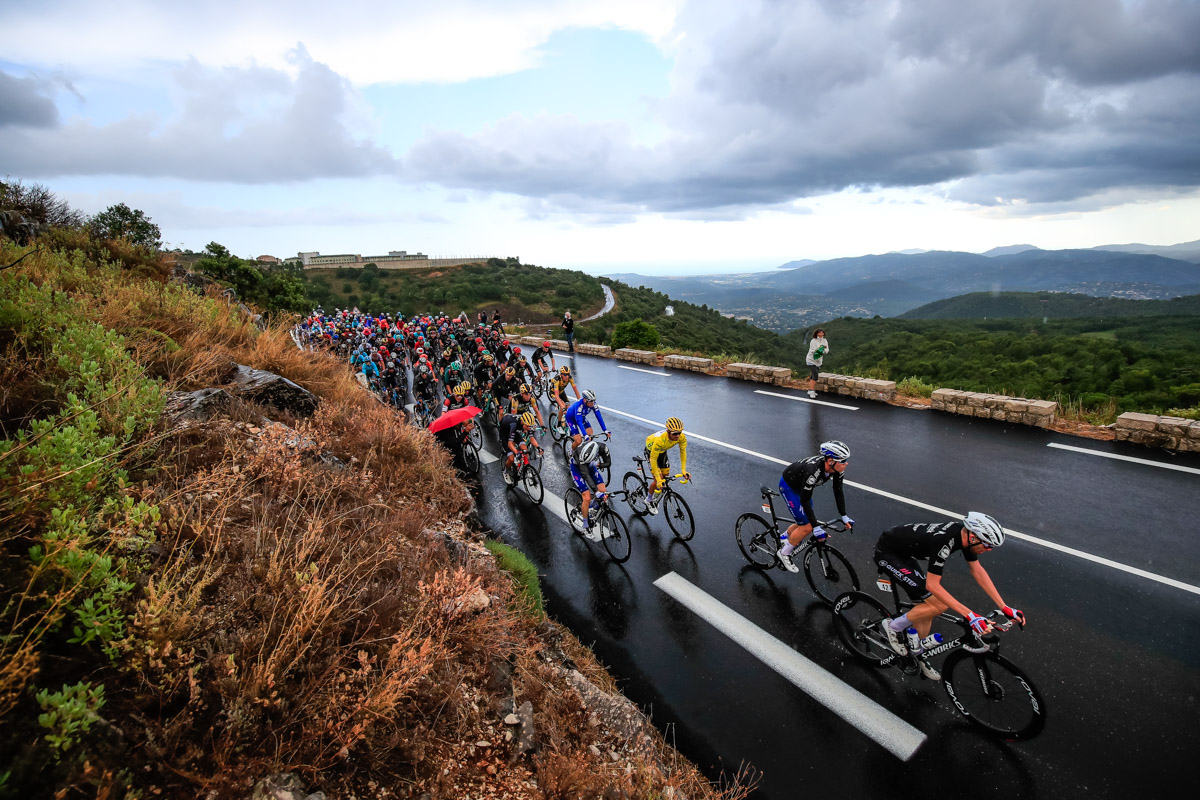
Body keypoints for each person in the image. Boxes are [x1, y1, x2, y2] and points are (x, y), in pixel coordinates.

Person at [873, 513, 1025, 681]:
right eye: (988, 544)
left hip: (904, 555)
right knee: (938, 605)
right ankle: (893, 627)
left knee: (927, 609)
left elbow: (978, 571)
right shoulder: (944, 540)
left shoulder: (966, 537)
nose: (989, 549)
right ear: (973, 536)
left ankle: (916, 655)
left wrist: (1004, 607)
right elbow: (933, 584)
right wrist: (971, 615)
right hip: (887, 553)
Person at [776, 441, 854, 573]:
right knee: (807, 526)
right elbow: (805, 501)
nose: (846, 463)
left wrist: (844, 515)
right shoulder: (813, 473)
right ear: (830, 461)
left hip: (800, 487)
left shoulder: (837, 469)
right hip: (789, 487)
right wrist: (816, 527)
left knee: (804, 521)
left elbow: (838, 490)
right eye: (843, 461)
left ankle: (784, 537)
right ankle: (784, 554)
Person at [643, 417, 690, 515]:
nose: (677, 436)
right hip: (651, 452)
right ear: (668, 432)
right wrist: (658, 480)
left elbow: (683, 452)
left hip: (662, 451)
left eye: (679, 433)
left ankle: (657, 493)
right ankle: (648, 499)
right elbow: (653, 459)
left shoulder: (681, 437)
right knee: (658, 479)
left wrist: (683, 470)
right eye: (674, 434)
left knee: (665, 476)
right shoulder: (660, 440)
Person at [569, 439, 609, 542]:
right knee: (586, 497)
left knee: (603, 490)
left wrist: (598, 465)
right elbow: (586, 476)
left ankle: (593, 507)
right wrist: (596, 492)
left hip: (591, 466)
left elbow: (608, 463)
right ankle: (586, 525)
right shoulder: (579, 453)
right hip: (578, 469)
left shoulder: (601, 447)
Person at [499, 410, 538, 485]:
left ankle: (526, 468)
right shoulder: (514, 425)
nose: (529, 428)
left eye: (530, 426)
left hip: (514, 431)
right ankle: (505, 472)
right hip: (505, 433)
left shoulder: (527, 424)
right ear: (522, 422)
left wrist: (538, 447)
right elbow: (510, 444)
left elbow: (532, 438)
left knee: (525, 450)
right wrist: (517, 452)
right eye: (527, 426)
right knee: (511, 457)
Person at [805, 329, 829, 399]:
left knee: (813, 376)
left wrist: (822, 349)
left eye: (822, 333)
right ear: (816, 334)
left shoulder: (825, 340)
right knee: (815, 376)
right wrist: (822, 348)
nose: (821, 334)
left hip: (818, 361)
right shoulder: (813, 341)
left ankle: (809, 390)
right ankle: (812, 391)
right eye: (819, 333)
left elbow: (827, 350)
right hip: (811, 360)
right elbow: (813, 351)